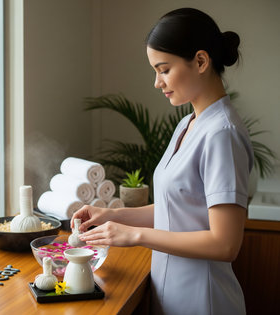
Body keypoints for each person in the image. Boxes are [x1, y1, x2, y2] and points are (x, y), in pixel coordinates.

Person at [71, 8, 253, 315]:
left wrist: (134, 236)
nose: (157, 82)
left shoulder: (222, 134)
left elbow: (225, 245)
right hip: (171, 295)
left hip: (203, 300)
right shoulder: (188, 125)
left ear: (200, 61)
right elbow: (178, 208)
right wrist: (109, 216)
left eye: (163, 69)